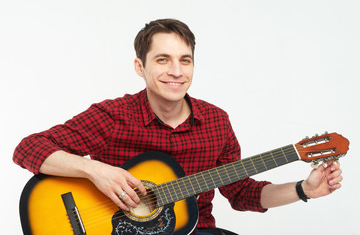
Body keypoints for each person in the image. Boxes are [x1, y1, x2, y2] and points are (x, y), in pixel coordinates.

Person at [13, 18, 343, 235]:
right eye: (162, 60)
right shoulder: (114, 115)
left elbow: (242, 194)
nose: (176, 71)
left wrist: (304, 190)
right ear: (139, 67)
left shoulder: (216, 121)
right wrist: (97, 172)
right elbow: (28, 148)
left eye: (185, 60)